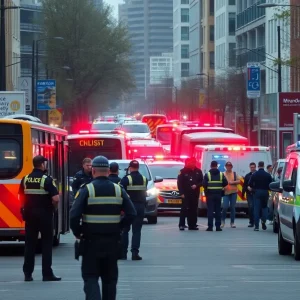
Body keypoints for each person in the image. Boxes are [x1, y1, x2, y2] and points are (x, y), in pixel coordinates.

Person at [70, 156, 136, 300]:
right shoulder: (119, 190)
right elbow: (132, 213)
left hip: (90, 242)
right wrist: (120, 227)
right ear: (107, 171)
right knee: (110, 280)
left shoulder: (87, 189)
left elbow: (74, 215)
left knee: (90, 277)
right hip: (112, 242)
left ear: (93, 171)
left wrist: (78, 233)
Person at [18, 155, 61, 282]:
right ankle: (47, 274)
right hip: (45, 216)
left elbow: (20, 197)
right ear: (42, 165)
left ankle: (27, 274)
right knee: (47, 244)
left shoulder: (25, 179)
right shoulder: (46, 180)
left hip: (30, 215)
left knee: (30, 244)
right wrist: (54, 208)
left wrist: (24, 210)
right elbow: (56, 199)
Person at [120, 160, 148, 260]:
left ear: (130, 167)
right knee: (137, 231)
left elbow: (121, 194)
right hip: (140, 207)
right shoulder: (144, 179)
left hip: (129, 207)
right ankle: (135, 253)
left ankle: (123, 254)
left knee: (125, 230)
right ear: (138, 167)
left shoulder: (126, 179)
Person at [177, 157, 203, 231]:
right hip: (185, 193)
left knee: (193, 209)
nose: (191, 164)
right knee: (184, 209)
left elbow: (202, 181)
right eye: (190, 162)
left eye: (193, 162)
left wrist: (196, 185)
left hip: (195, 193)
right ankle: (181, 225)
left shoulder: (198, 171)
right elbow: (179, 183)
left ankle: (192, 225)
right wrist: (181, 193)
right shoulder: (182, 171)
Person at [203, 161, 228, 232]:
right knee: (218, 211)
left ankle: (210, 227)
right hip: (218, 195)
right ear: (217, 166)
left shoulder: (207, 174)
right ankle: (218, 227)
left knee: (210, 211)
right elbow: (225, 183)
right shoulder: (221, 174)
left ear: (211, 166)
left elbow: (204, 184)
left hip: (210, 195)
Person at [248, 161, 273, 231]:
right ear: (264, 166)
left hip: (256, 192)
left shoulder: (254, 174)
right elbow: (271, 184)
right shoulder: (268, 175)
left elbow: (249, 184)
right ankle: (263, 221)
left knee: (256, 209)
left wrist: (252, 189)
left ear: (258, 166)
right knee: (264, 208)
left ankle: (256, 226)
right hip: (265, 192)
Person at [221, 162, 241, 228]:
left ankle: (232, 222)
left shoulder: (234, 174)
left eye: (230, 166)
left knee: (232, 207)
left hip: (233, 192)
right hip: (226, 193)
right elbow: (220, 182)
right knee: (225, 207)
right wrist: (222, 188)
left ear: (231, 167)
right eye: (227, 166)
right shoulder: (223, 174)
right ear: (225, 167)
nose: (228, 167)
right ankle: (222, 221)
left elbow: (239, 181)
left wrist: (233, 182)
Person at [242, 162, 256, 228]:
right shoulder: (247, 175)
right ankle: (251, 222)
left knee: (255, 207)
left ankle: (256, 221)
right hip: (249, 194)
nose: (252, 168)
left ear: (255, 167)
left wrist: (253, 189)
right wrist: (243, 193)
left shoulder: (257, 175)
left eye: (253, 167)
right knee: (251, 207)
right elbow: (244, 185)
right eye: (251, 167)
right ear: (249, 167)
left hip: (256, 193)